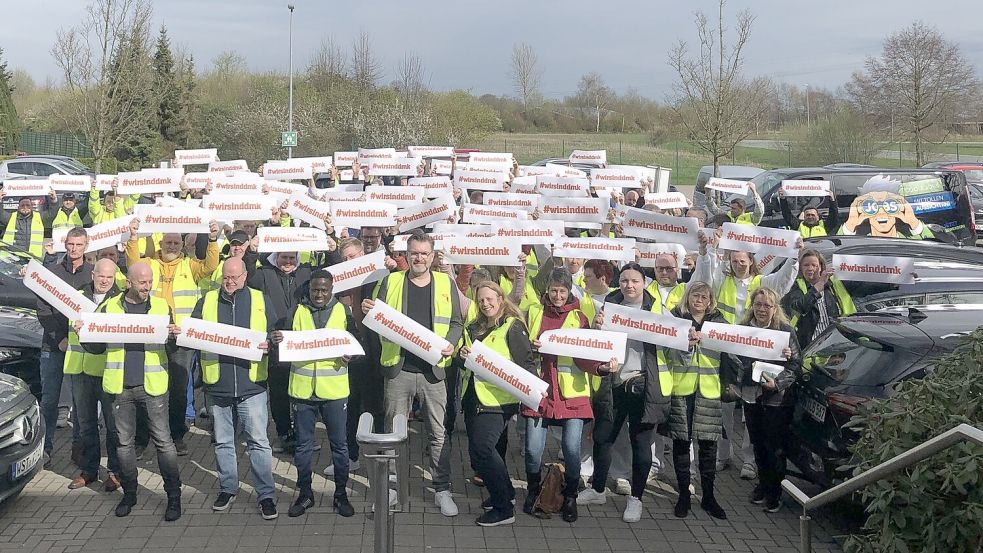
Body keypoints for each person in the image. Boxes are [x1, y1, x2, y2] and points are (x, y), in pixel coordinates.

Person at [361, 230, 464, 517]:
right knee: (393, 434)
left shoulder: (445, 282)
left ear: (432, 256)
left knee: (438, 433)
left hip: (433, 372)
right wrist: (366, 308)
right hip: (399, 369)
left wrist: (451, 344)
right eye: (414, 253)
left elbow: (456, 323)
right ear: (407, 255)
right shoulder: (390, 280)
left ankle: (442, 488)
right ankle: (391, 488)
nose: (419, 258)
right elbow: (372, 319)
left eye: (424, 253)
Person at [77, 262, 183, 521]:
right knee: (123, 445)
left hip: (153, 387)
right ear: (128, 282)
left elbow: (171, 350)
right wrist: (84, 334)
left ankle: (173, 496)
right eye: (141, 283)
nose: (147, 288)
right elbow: (96, 349)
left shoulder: (160, 307)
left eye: (149, 283)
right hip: (120, 387)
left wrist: (174, 337)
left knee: (164, 443)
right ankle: (130, 493)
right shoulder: (109, 307)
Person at [692, 232, 802, 477]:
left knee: (753, 407)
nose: (738, 264)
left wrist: (794, 256)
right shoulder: (723, 280)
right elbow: (705, 279)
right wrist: (706, 252)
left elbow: (784, 281)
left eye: (743, 261)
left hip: (756, 354)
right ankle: (723, 454)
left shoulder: (762, 282)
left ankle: (750, 461)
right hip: (726, 351)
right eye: (734, 261)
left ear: (751, 261)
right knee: (725, 407)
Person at [577, 262, 670, 524]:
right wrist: (597, 327)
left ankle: (636, 498)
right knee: (603, 438)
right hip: (615, 383)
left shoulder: (657, 310)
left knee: (641, 445)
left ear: (644, 283)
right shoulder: (609, 305)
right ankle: (597, 490)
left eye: (635, 281)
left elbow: (674, 340)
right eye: (625, 281)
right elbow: (598, 343)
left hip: (644, 385)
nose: (630, 286)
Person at [191, 258, 279, 520]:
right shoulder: (206, 301)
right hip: (218, 385)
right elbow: (193, 333)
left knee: (259, 443)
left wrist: (270, 343)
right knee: (223, 442)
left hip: (252, 384)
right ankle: (228, 488)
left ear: (244, 276)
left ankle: (265, 495)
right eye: (226, 278)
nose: (230, 282)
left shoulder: (260, 299)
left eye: (235, 277)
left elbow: (274, 331)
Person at [126, 218, 221, 456]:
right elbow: (132, 263)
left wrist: (212, 239)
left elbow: (210, 266)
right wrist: (134, 237)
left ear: (181, 244)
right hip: (153, 335)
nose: (172, 246)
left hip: (180, 337)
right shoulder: (150, 263)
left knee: (179, 389)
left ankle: (177, 435)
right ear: (161, 242)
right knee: (146, 388)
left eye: (176, 242)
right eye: (168, 241)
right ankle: (142, 438)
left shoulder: (190, 265)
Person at [271, 269, 358, 518]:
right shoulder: (296, 311)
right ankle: (305, 494)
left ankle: (341, 495)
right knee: (303, 448)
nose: (319, 294)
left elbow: (356, 344)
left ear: (331, 290)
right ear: (309, 289)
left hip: (334, 391)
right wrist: (276, 338)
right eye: (315, 290)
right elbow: (280, 340)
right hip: (302, 391)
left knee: (340, 447)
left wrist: (351, 355)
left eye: (324, 290)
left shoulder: (343, 312)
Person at [523, 268, 605, 523]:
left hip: (572, 395)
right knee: (532, 450)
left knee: (571, 449)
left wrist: (602, 368)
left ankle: (570, 496)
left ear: (569, 291)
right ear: (546, 290)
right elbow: (520, 348)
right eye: (553, 290)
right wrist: (531, 348)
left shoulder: (580, 316)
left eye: (562, 291)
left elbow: (588, 355)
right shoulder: (535, 312)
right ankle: (533, 491)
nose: (558, 296)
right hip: (540, 392)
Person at [245, 244, 338, 453]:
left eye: (291, 258)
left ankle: (303, 434)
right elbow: (247, 275)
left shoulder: (307, 272)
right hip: (275, 341)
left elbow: (331, 273)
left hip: (301, 341)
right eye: (283, 258)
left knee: (301, 393)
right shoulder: (264, 274)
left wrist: (332, 249)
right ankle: (284, 434)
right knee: (278, 394)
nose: (288, 262)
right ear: (276, 257)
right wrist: (251, 252)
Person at [458, 281, 534, 527]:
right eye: (481, 300)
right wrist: (462, 358)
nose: (485, 303)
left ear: (501, 298)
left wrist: (532, 398)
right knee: (481, 453)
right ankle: (505, 494)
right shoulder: (475, 327)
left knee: (482, 451)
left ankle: (503, 508)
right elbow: (466, 360)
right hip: (473, 397)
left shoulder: (512, 327)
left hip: (498, 401)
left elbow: (526, 365)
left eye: (490, 299)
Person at [324, 238, 397, 478]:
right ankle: (350, 458)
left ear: (363, 257)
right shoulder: (334, 289)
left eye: (352, 257)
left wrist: (393, 265)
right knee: (350, 408)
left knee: (376, 408)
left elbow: (397, 287)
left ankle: (382, 461)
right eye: (344, 259)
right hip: (347, 356)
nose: (348, 263)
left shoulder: (376, 278)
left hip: (373, 353)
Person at [729, 287, 800, 513]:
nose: (761, 309)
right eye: (758, 305)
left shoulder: (786, 332)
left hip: (777, 399)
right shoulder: (742, 330)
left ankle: (775, 492)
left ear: (775, 308)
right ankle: (762, 484)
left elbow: (796, 365)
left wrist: (777, 384)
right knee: (757, 443)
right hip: (751, 395)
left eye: (767, 305)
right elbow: (733, 358)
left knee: (775, 447)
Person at [666, 281, 728, 520]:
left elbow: (733, 350)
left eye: (704, 296)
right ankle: (683, 495)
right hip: (682, 388)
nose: (699, 299)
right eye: (695, 294)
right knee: (682, 443)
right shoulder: (675, 320)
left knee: (709, 445)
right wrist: (686, 345)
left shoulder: (720, 323)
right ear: (687, 297)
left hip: (710, 390)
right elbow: (668, 352)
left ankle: (709, 496)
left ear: (711, 301)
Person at [35, 227, 92, 466]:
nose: (74, 249)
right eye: (70, 244)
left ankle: (78, 449)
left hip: (81, 348)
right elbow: (43, 310)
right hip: (53, 345)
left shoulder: (92, 273)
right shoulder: (52, 272)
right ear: (65, 244)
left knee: (80, 402)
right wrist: (59, 338)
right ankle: (44, 449)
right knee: (49, 400)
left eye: (78, 245)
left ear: (86, 246)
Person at [64, 258, 122, 492]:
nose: (105, 281)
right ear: (93, 275)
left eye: (109, 277)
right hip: (80, 368)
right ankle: (89, 470)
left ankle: (115, 472)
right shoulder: (76, 296)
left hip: (107, 371)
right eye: (101, 276)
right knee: (86, 424)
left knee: (112, 426)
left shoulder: (120, 300)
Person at [781, 248, 857, 348]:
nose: (810, 268)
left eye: (814, 265)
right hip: (809, 344)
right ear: (800, 268)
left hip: (833, 341)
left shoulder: (832, 284)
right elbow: (800, 306)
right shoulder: (795, 286)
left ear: (821, 267)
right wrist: (819, 284)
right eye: (806, 265)